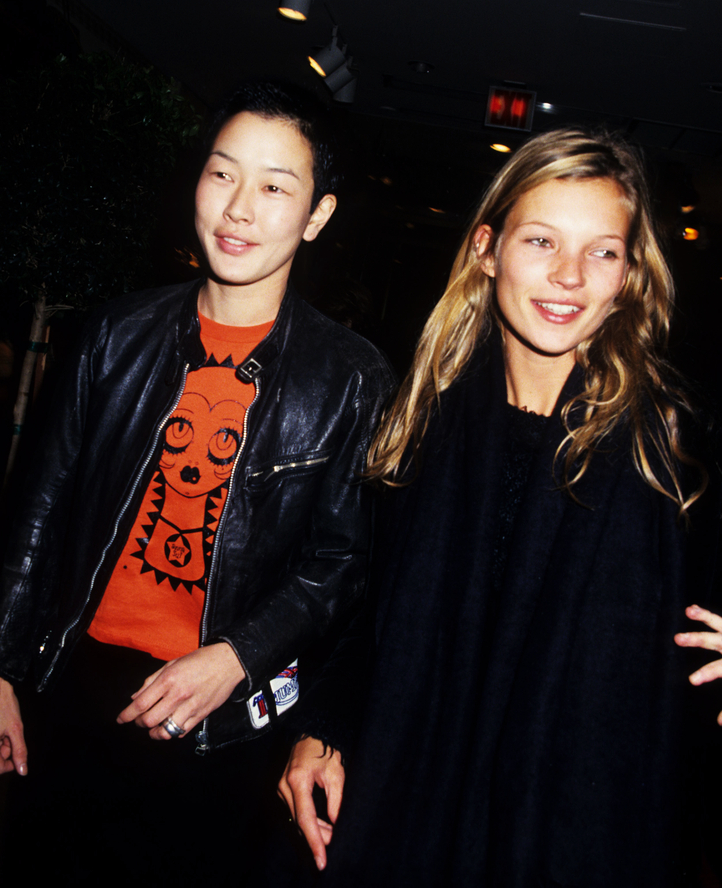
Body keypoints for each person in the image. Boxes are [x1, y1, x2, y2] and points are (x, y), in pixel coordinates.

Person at [279, 128, 721, 886]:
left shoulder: (672, 442)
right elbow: (371, 619)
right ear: (487, 250)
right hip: (415, 814)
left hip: (583, 834)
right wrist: (321, 725)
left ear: (629, 276)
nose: (569, 276)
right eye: (541, 241)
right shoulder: (425, 424)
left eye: (603, 252)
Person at [0, 80, 393, 883]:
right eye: (223, 174)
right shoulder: (115, 333)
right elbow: (39, 506)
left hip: (226, 717)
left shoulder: (352, 378)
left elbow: (342, 564)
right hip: (73, 686)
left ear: (317, 216)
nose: (239, 209)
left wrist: (236, 657)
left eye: (274, 188)